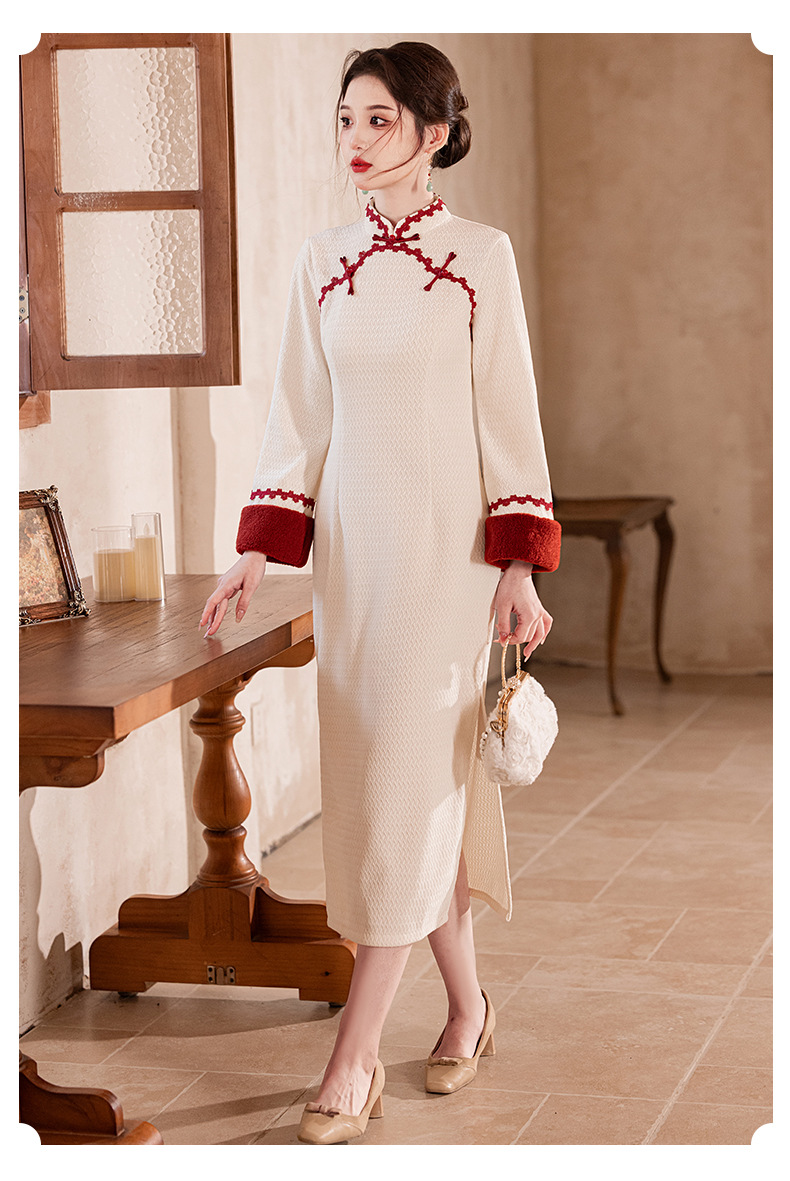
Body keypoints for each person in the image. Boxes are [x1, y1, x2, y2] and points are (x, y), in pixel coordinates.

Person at [199, 40, 561, 1145]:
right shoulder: (322, 261)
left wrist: (517, 562)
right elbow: (298, 417)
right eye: (345, 119)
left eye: (379, 121)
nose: (354, 140)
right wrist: (258, 547)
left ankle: (352, 1057)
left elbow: (508, 415)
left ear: (434, 132)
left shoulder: (480, 257)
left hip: (450, 567)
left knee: (406, 787)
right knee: (395, 790)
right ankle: (468, 1006)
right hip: (358, 565)